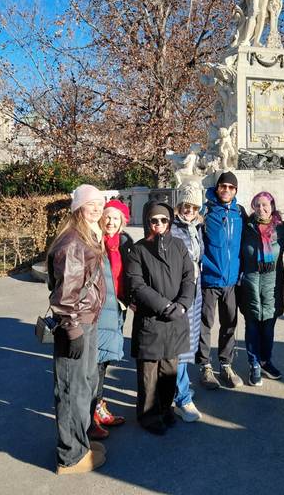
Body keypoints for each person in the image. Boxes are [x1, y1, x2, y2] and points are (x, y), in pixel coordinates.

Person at [47, 184, 106, 475]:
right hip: (76, 324)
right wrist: (72, 329)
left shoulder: (86, 236)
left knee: (83, 385)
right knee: (71, 389)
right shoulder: (73, 243)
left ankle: (80, 444)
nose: (96, 209)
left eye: (100, 204)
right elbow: (64, 296)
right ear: (78, 208)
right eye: (90, 204)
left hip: (86, 320)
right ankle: (70, 456)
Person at [127, 201, 195, 435]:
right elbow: (137, 284)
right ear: (148, 221)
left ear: (170, 222)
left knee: (169, 369)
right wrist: (165, 305)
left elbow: (189, 278)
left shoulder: (179, 246)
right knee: (149, 372)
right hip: (152, 319)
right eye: (154, 220)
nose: (158, 224)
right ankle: (147, 414)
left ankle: (166, 408)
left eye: (163, 220)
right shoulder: (138, 250)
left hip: (176, 318)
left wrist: (183, 304)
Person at [196, 171, 245, 389]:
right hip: (209, 277)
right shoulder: (205, 211)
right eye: (223, 186)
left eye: (230, 187)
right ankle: (205, 366)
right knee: (205, 324)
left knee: (230, 324)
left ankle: (226, 364)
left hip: (231, 280)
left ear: (235, 190)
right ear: (217, 188)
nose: (226, 190)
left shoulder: (240, 212)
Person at [90, 199, 134, 439]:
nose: (111, 221)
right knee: (95, 361)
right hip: (98, 309)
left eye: (116, 218)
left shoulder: (124, 243)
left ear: (122, 222)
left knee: (104, 360)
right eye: (107, 216)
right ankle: (91, 412)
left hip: (118, 307)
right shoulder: (94, 242)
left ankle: (98, 404)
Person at [240, 192, 284, 386]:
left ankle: (266, 361)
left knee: (267, 330)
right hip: (250, 286)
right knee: (252, 329)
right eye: (257, 205)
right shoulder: (246, 227)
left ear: (272, 206)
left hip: (272, 287)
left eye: (265, 205)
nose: (261, 209)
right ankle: (254, 364)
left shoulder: (281, 229)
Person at [171, 184, 204, 422]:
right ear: (179, 206)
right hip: (180, 291)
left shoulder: (196, 228)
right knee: (180, 345)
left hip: (195, 291)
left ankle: (179, 389)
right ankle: (182, 397)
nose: (189, 210)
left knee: (188, 341)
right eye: (186, 206)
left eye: (193, 207)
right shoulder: (172, 229)